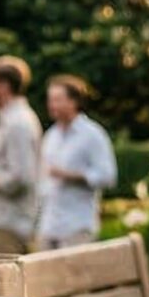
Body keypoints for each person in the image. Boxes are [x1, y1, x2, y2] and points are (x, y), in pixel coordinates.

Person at [34, 73, 117, 252]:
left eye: (57, 100)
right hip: (49, 225)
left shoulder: (93, 135)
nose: (51, 105)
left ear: (74, 102)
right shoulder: (51, 136)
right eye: (50, 100)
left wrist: (72, 175)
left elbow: (108, 176)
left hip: (77, 226)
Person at [0, 55, 41, 256]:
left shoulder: (17, 123)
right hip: (4, 221)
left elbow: (21, 177)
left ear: (3, 86)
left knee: (3, 287)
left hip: (10, 224)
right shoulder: (9, 119)